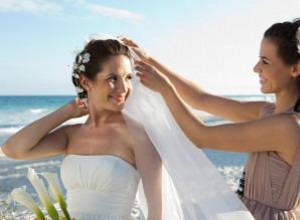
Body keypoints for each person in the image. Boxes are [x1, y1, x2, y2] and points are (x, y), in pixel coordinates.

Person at [121, 18, 300, 219]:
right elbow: (201, 99)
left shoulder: (288, 126)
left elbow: (200, 136)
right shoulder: (268, 112)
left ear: (295, 68)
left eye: (265, 61)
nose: (256, 68)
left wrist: (165, 90)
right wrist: (149, 60)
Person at [2, 39, 163, 220]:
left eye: (127, 78)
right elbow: (13, 149)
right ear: (86, 82)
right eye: (112, 78)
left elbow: (158, 212)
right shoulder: (71, 135)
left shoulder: (138, 135)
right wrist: (68, 111)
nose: (123, 88)